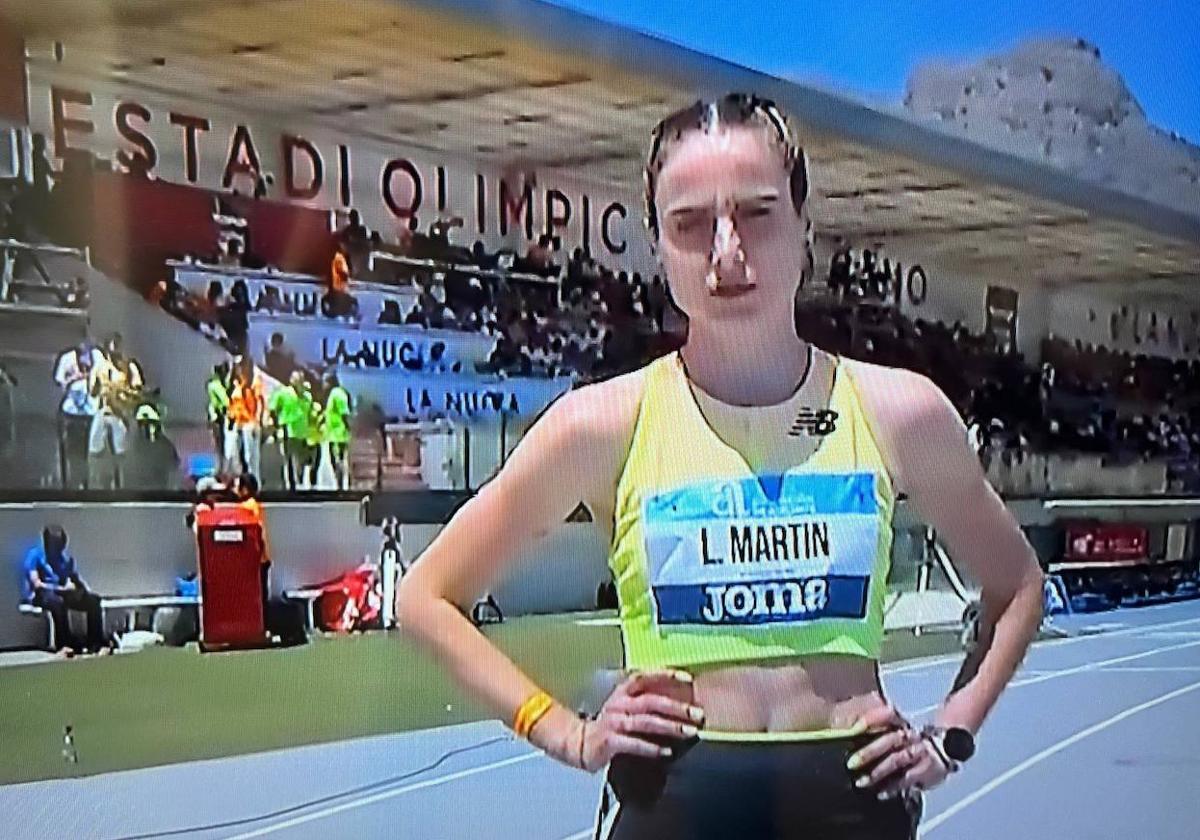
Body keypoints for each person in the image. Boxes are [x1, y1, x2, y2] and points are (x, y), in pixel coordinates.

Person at [396, 94, 1044, 840]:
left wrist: (953, 729)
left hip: (851, 798)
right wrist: (566, 734)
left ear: (806, 226)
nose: (726, 251)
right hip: (673, 801)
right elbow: (427, 599)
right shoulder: (602, 424)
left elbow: (1018, 583)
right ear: (657, 244)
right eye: (691, 224)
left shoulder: (899, 411)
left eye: (758, 213)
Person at [20, 525, 106, 654]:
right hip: (41, 594)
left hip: (61, 592)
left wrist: (80, 591)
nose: (60, 547)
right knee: (58, 603)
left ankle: (96, 642)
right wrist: (60, 588)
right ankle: (64, 644)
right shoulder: (35, 555)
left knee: (93, 601)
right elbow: (37, 584)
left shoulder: (63, 559)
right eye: (57, 544)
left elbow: (75, 578)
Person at [88, 334, 144, 489]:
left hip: (121, 413)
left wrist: (124, 395)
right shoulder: (100, 367)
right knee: (95, 449)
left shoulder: (129, 367)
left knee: (121, 452)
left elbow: (138, 389)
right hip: (103, 409)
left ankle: (122, 485)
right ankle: (99, 483)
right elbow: (92, 391)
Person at [124, 404, 181, 490]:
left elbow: (174, 472)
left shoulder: (165, 446)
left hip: (159, 496)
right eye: (142, 424)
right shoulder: (127, 447)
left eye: (151, 423)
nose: (148, 427)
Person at [225, 360, 264, 479]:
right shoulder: (237, 383)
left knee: (250, 456)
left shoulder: (254, 383)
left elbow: (260, 402)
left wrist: (257, 421)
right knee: (234, 455)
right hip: (237, 423)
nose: (240, 368)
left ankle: (254, 484)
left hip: (249, 423)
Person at [321, 373, 353, 491]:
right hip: (333, 434)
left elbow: (344, 413)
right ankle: (339, 485)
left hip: (339, 435)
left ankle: (341, 486)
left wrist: (348, 428)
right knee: (335, 461)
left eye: (325, 382)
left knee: (338, 461)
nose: (323, 385)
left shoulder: (338, 393)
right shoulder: (332, 394)